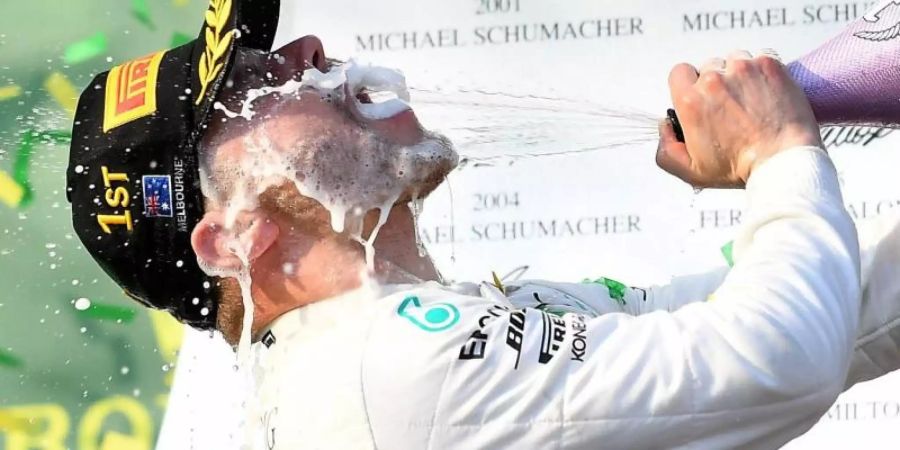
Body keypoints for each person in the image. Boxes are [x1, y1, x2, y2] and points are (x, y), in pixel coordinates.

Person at [66, 1, 899, 448]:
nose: (308, 54)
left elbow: (821, 316)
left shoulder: (385, 341)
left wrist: (777, 164)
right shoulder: (395, 369)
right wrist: (777, 151)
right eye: (252, 88)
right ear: (236, 236)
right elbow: (774, 363)